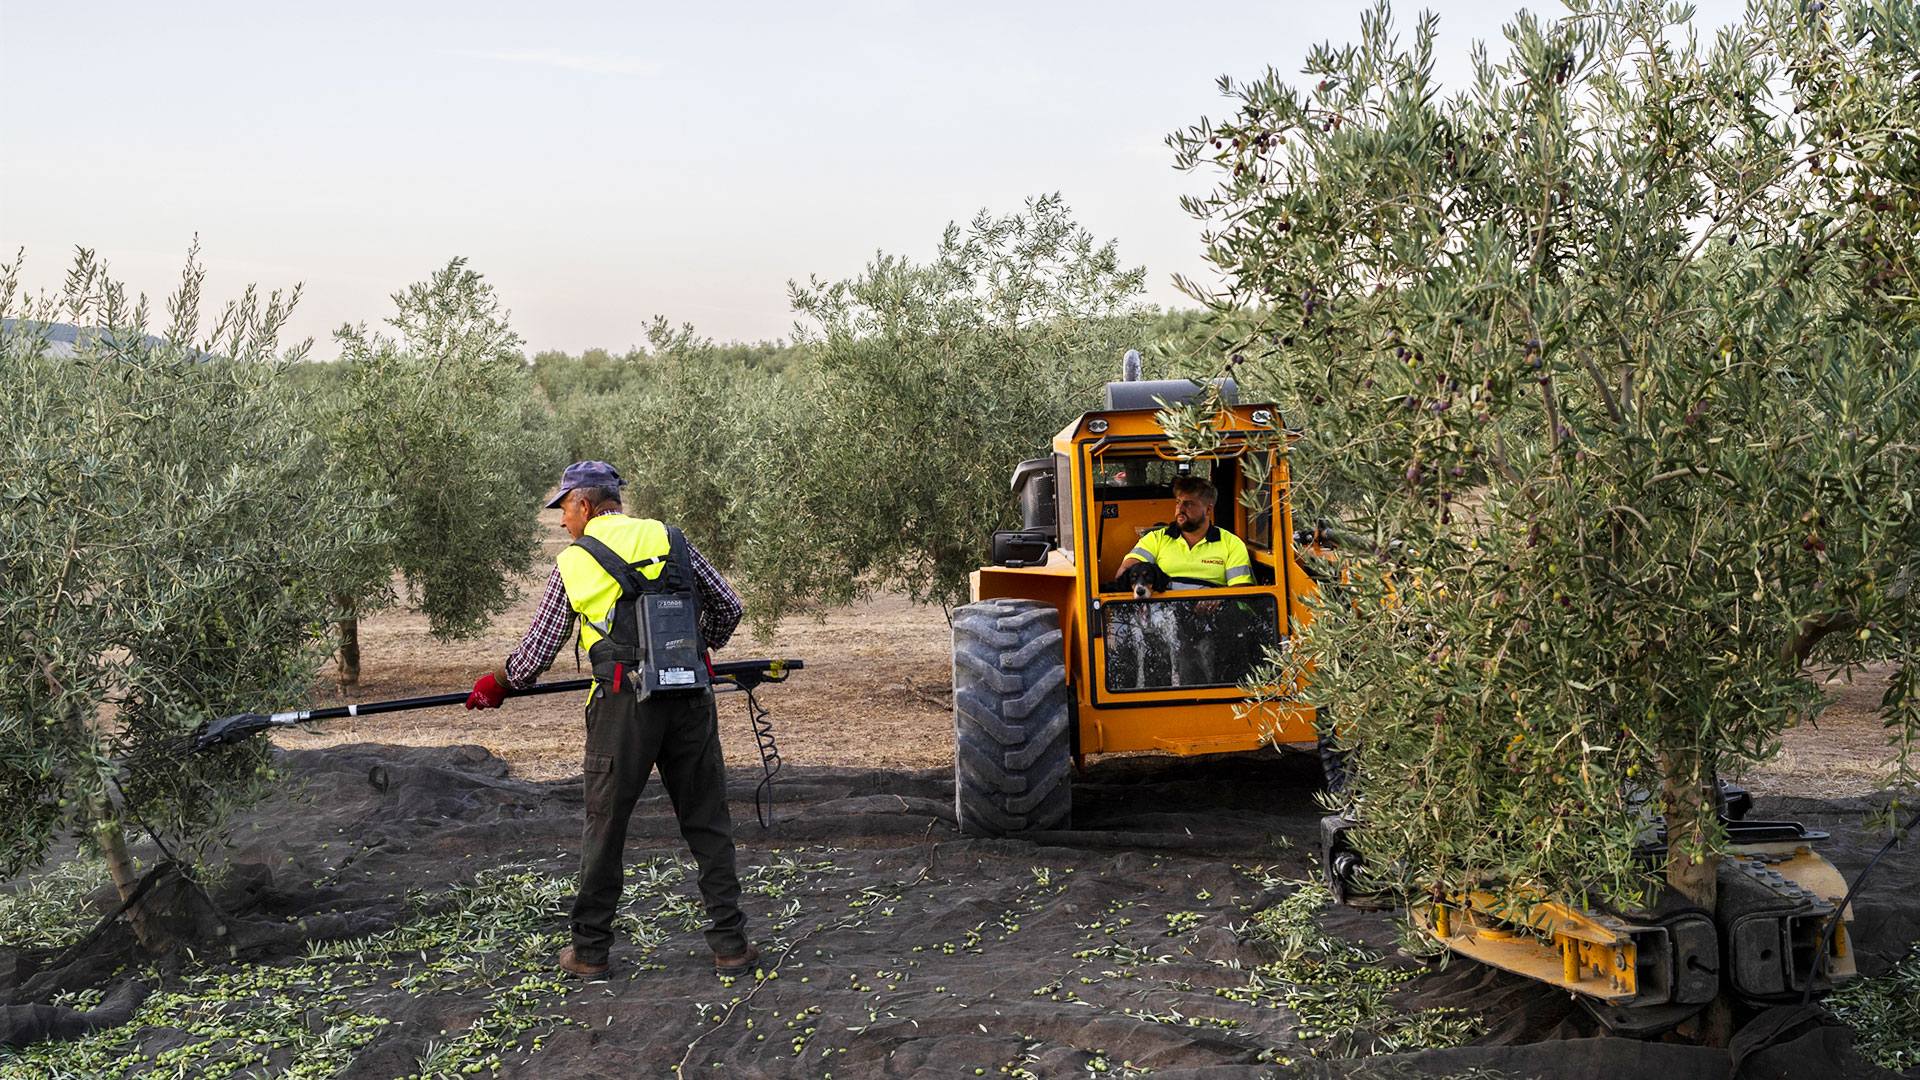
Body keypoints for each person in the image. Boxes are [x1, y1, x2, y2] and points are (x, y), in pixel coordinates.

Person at [464, 461, 756, 980]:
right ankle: (731, 946)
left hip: (623, 709)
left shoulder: (576, 562)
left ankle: (591, 953)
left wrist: (497, 684)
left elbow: (535, 654)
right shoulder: (672, 539)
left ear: (583, 504)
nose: (561, 523)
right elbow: (729, 607)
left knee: (606, 828)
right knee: (708, 822)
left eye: (563, 510)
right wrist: (693, 649)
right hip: (690, 699)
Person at [1112, 476, 1253, 686]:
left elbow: (1241, 591)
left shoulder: (1231, 544)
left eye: (1189, 504)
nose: (1180, 509)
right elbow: (1124, 573)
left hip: (1209, 620)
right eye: (1178, 502)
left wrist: (1217, 600)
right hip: (1163, 618)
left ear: (1208, 509)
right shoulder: (1156, 539)